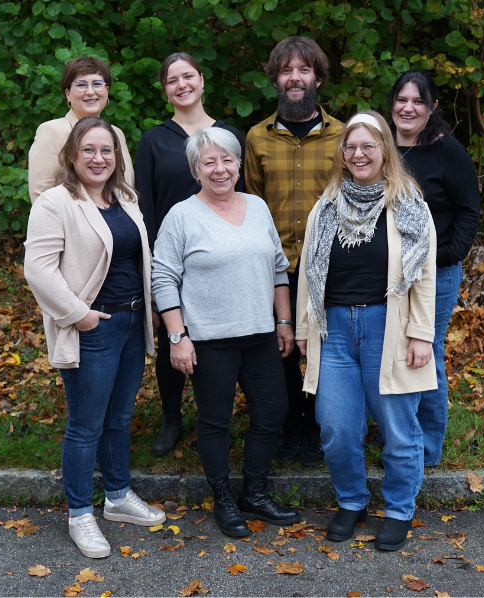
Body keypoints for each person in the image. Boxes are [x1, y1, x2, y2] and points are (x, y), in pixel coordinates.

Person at [295, 111, 437, 552]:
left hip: (387, 328)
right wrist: (304, 327)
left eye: (368, 146)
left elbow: (425, 274)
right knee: (336, 428)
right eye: (351, 147)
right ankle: (352, 501)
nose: (358, 154)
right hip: (334, 330)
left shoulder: (408, 202)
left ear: (384, 151)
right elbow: (308, 269)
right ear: (342, 154)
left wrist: (421, 333)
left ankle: (398, 510)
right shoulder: (327, 203)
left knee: (399, 429)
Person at [24, 117, 165, 559]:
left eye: (106, 151)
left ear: (116, 157)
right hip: (94, 326)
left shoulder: (125, 198)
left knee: (119, 417)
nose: (99, 158)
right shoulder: (55, 202)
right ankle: (80, 513)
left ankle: (118, 496)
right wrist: (79, 315)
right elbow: (39, 270)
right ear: (71, 155)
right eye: (88, 150)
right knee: (85, 426)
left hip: (131, 321)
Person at [152, 127, 299, 538]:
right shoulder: (182, 215)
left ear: (238, 164)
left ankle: (254, 491)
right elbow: (162, 277)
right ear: (196, 170)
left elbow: (277, 269)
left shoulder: (257, 207)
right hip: (209, 339)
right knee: (215, 420)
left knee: (272, 413)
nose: (219, 169)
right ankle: (223, 497)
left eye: (226, 160)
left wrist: (283, 322)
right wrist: (178, 337)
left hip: (259, 335)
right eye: (208, 162)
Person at [135, 52, 247, 457]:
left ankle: (218, 415)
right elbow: (144, 206)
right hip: (172, 257)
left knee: (221, 335)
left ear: (202, 80)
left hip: (221, 254)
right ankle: (170, 418)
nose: (181, 84)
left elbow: (244, 194)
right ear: (165, 90)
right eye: (171, 80)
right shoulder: (154, 139)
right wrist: (147, 267)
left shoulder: (229, 135)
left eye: (188, 76)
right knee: (173, 334)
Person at [244, 36, 343, 467]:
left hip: (330, 264)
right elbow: (250, 203)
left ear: (318, 77)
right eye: (287, 71)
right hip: (276, 263)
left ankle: (319, 424)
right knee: (281, 350)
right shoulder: (255, 138)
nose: (295, 78)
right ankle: (291, 425)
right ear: (276, 80)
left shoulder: (343, 136)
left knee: (323, 346)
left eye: (304, 70)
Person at [387, 71, 480, 467]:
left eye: (418, 101)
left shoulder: (447, 150)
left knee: (425, 352)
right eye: (401, 100)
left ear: (432, 108)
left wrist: (449, 254)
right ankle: (398, 438)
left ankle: (426, 451)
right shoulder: (380, 147)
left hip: (435, 274)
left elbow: (468, 209)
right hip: (387, 273)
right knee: (391, 350)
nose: (408, 108)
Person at [28, 57, 134, 203]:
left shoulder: (117, 134)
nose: (90, 92)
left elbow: (127, 188)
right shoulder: (51, 131)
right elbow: (40, 196)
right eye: (81, 85)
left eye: (97, 84)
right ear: (67, 94)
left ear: (107, 91)